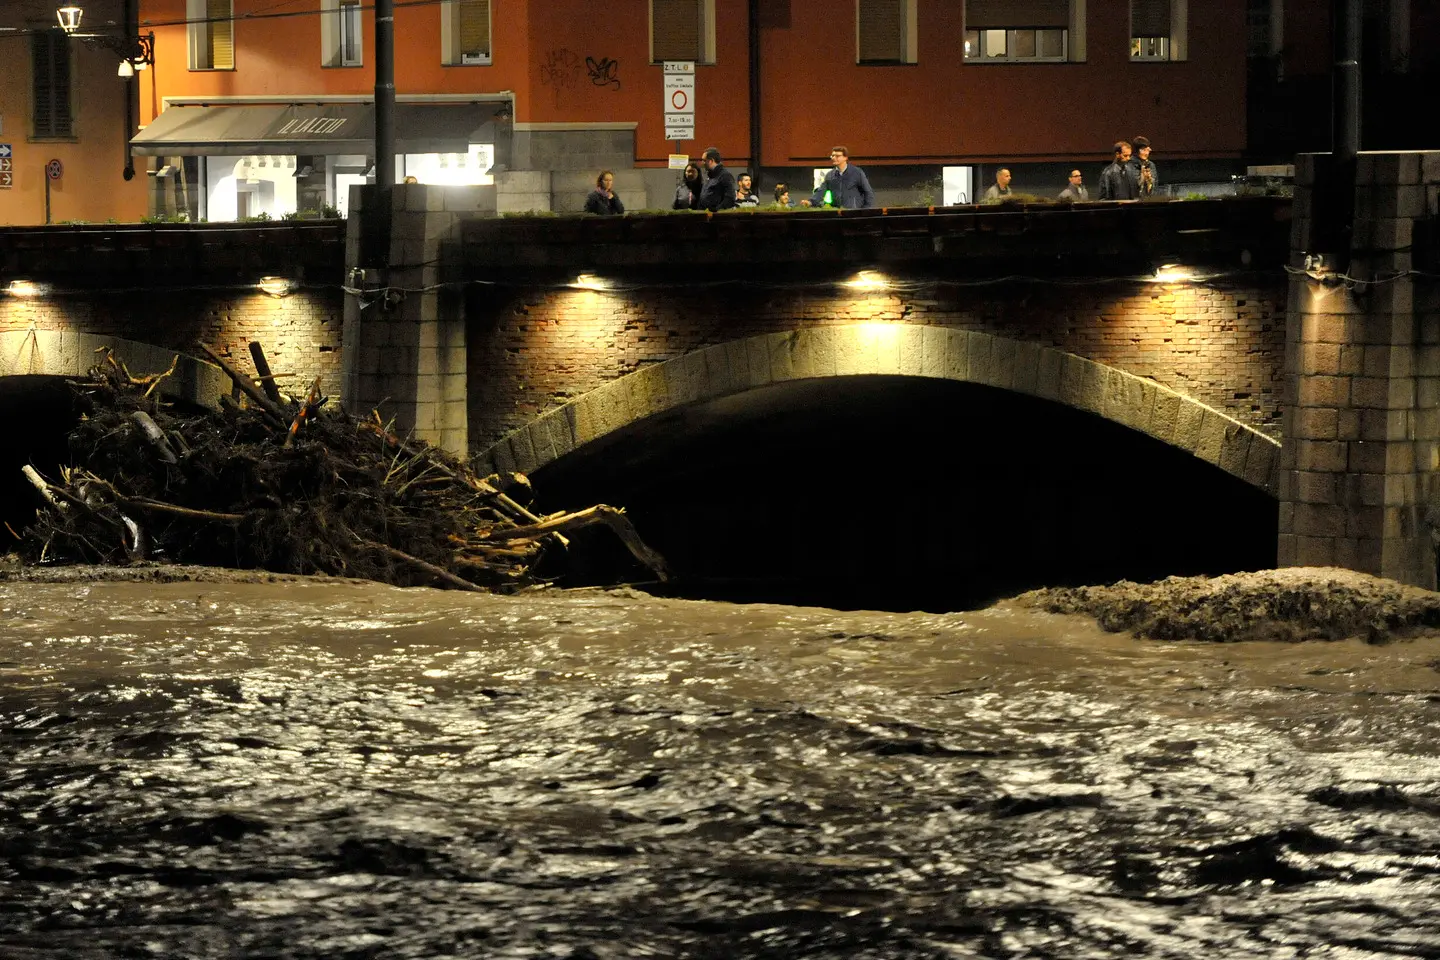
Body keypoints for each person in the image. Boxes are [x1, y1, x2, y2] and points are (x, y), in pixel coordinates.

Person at [802, 145, 875, 209]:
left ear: (845, 157)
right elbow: (821, 192)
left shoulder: (857, 172)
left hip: (853, 213)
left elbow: (868, 192)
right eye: (832, 156)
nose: (834, 158)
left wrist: (866, 210)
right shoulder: (830, 175)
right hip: (837, 213)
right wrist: (810, 202)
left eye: (837, 156)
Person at [698, 147, 737, 211]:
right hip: (707, 215)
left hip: (717, 218)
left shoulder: (725, 176)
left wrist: (716, 211)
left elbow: (730, 198)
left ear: (711, 161)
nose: (702, 163)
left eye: (704, 160)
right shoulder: (710, 176)